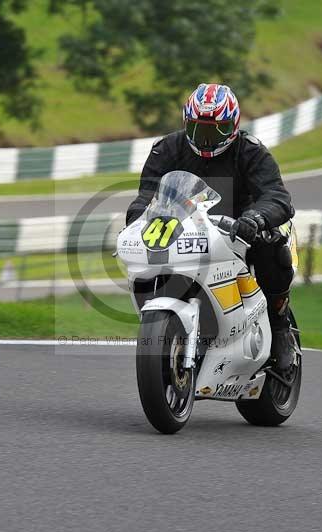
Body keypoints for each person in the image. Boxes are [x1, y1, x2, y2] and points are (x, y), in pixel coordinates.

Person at [125, 83, 298, 370]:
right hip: (184, 229)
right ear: (185, 123)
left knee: (274, 249)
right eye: (198, 129)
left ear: (233, 125)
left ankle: (279, 327)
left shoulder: (251, 152)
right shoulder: (167, 149)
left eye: (216, 130)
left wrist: (255, 218)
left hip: (239, 231)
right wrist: (136, 218)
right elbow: (147, 194)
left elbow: (277, 196)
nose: (206, 139)